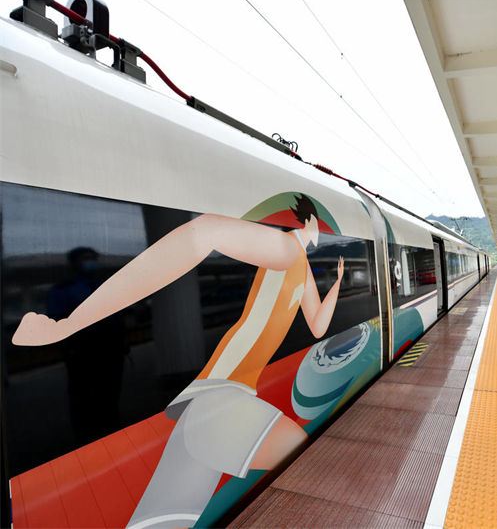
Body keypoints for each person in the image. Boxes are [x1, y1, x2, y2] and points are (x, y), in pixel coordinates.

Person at [13, 194, 346, 529]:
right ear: (310, 222)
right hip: (222, 393)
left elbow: (317, 326)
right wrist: (69, 324)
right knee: (305, 456)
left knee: (160, 522)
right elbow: (202, 231)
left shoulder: (299, 263)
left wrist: (336, 283)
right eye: (320, 227)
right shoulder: (285, 247)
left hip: (211, 405)